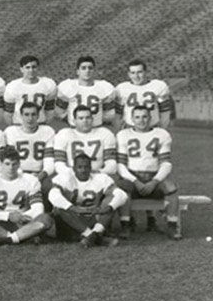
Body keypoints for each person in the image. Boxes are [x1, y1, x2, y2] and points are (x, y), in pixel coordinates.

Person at [116, 105, 179, 239]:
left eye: (145, 116)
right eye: (137, 117)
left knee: (171, 188)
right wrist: (135, 181)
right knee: (122, 189)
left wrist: (155, 181)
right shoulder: (123, 135)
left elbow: (166, 163)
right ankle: (126, 225)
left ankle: (172, 226)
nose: (141, 120)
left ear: (150, 118)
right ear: (131, 119)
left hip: (154, 176)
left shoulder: (162, 134)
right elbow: (121, 165)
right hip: (132, 176)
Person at [0, 148, 52, 245]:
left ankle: (5, 239)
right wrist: (8, 216)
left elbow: (38, 209)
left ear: (19, 164)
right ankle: (22, 237)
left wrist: (20, 217)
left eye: (14, 164)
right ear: (0, 164)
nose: (11, 168)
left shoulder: (31, 180)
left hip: (22, 222)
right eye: (7, 164)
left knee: (46, 218)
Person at [48, 153, 126, 248]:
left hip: (93, 219)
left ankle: (93, 234)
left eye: (86, 167)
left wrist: (109, 208)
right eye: (79, 167)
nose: (83, 170)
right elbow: (53, 195)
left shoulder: (101, 178)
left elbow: (121, 194)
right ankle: (95, 236)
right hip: (71, 222)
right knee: (59, 208)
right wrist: (74, 208)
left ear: (90, 168)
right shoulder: (64, 177)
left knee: (111, 201)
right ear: (73, 168)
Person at [3, 102, 55, 201]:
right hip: (16, 172)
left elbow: (49, 162)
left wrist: (41, 175)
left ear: (38, 116)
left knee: (50, 189)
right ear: (21, 116)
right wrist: (22, 175)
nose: (30, 118)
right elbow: (10, 160)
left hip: (40, 174)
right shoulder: (11, 132)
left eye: (33, 114)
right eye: (26, 114)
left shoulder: (47, 132)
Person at [53, 105, 117, 178]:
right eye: (81, 118)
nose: (85, 121)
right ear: (74, 121)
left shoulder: (105, 134)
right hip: (71, 176)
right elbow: (59, 164)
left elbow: (112, 164)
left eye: (88, 118)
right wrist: (75, 174)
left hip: (98, 176)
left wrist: (99, 172)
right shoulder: (64, 134)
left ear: (92, 119)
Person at [56, 56, 115, 128]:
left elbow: (109, 114)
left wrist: (97, 121)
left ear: (94, 71)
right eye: (83, 68)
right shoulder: (68, 86)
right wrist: (72, 120)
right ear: (77, 71)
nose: (87, 71)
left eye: (90, 68)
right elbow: (60, 111)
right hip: (74, 128)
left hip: (96, 128)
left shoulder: (104, 87)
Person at [115, 60, 173, 129]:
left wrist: (163, 128)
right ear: (129, 74)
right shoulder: (122, 88)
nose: (136, 76)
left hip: (152, 128)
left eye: (139, 72)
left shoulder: (158, 86)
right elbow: (117, 113)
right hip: (130, 128)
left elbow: (165, 111)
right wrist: (119, 129)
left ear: (146, 72)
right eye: (133, 73)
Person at [3, 55, 56, 126]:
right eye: (27, 67)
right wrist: (14, 128)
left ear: (38, 68)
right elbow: (8, 113)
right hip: (19, 124)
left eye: (34, 67)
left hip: (40, 124)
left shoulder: (48, 84)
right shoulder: (13, 86)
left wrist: (45, 125)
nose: (31, 70)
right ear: (21, 69)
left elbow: (50, 110)